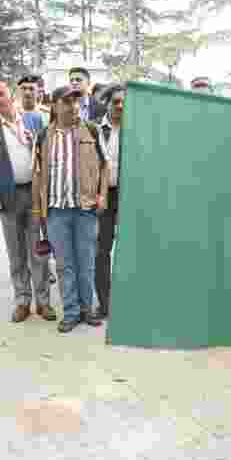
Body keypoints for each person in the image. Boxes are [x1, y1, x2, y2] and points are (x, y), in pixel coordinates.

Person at [0, 78, 54, 322]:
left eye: (1, 94)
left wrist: (35, 147)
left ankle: (43, 302)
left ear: (12, 97)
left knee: (38, 252)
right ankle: (22, 301)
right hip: (7, 199)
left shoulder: (34, 120)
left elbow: (47, 156)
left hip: (33, 195)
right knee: (16, 254)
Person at [33, 85, 109, 333]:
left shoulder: (93, 131)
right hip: (56, 211)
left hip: (85, 209)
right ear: (54, 106)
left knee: (86, 262)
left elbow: (105, 166)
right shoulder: (43, 136)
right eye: (67, 101)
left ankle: (87, 309)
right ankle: (71, 311)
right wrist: (39, 211)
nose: (74, 106)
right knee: (64, 264)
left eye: (77, 101)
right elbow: (38, 174)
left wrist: (102, 196)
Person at [95, 84, 124, 320]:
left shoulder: (137, 129)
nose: (120, 106)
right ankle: (104, 303)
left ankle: (127, 300)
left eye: (125, 101)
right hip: (102, 196)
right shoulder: (94, 129)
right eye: (115, 101)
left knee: (129, 250)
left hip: (129, 196)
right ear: (107, 103)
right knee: (101, 251)